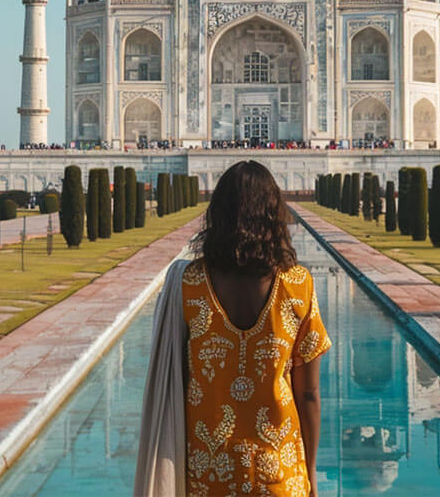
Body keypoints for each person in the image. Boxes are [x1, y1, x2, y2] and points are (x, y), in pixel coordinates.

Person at [135, 160, 331, 497]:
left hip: (208, 472)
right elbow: (309, 393)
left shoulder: (190, 283)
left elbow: (177, 381)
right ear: (274, 214)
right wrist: (310, 472)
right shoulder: (298, 284)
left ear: (218, 214)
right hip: (280, 472)